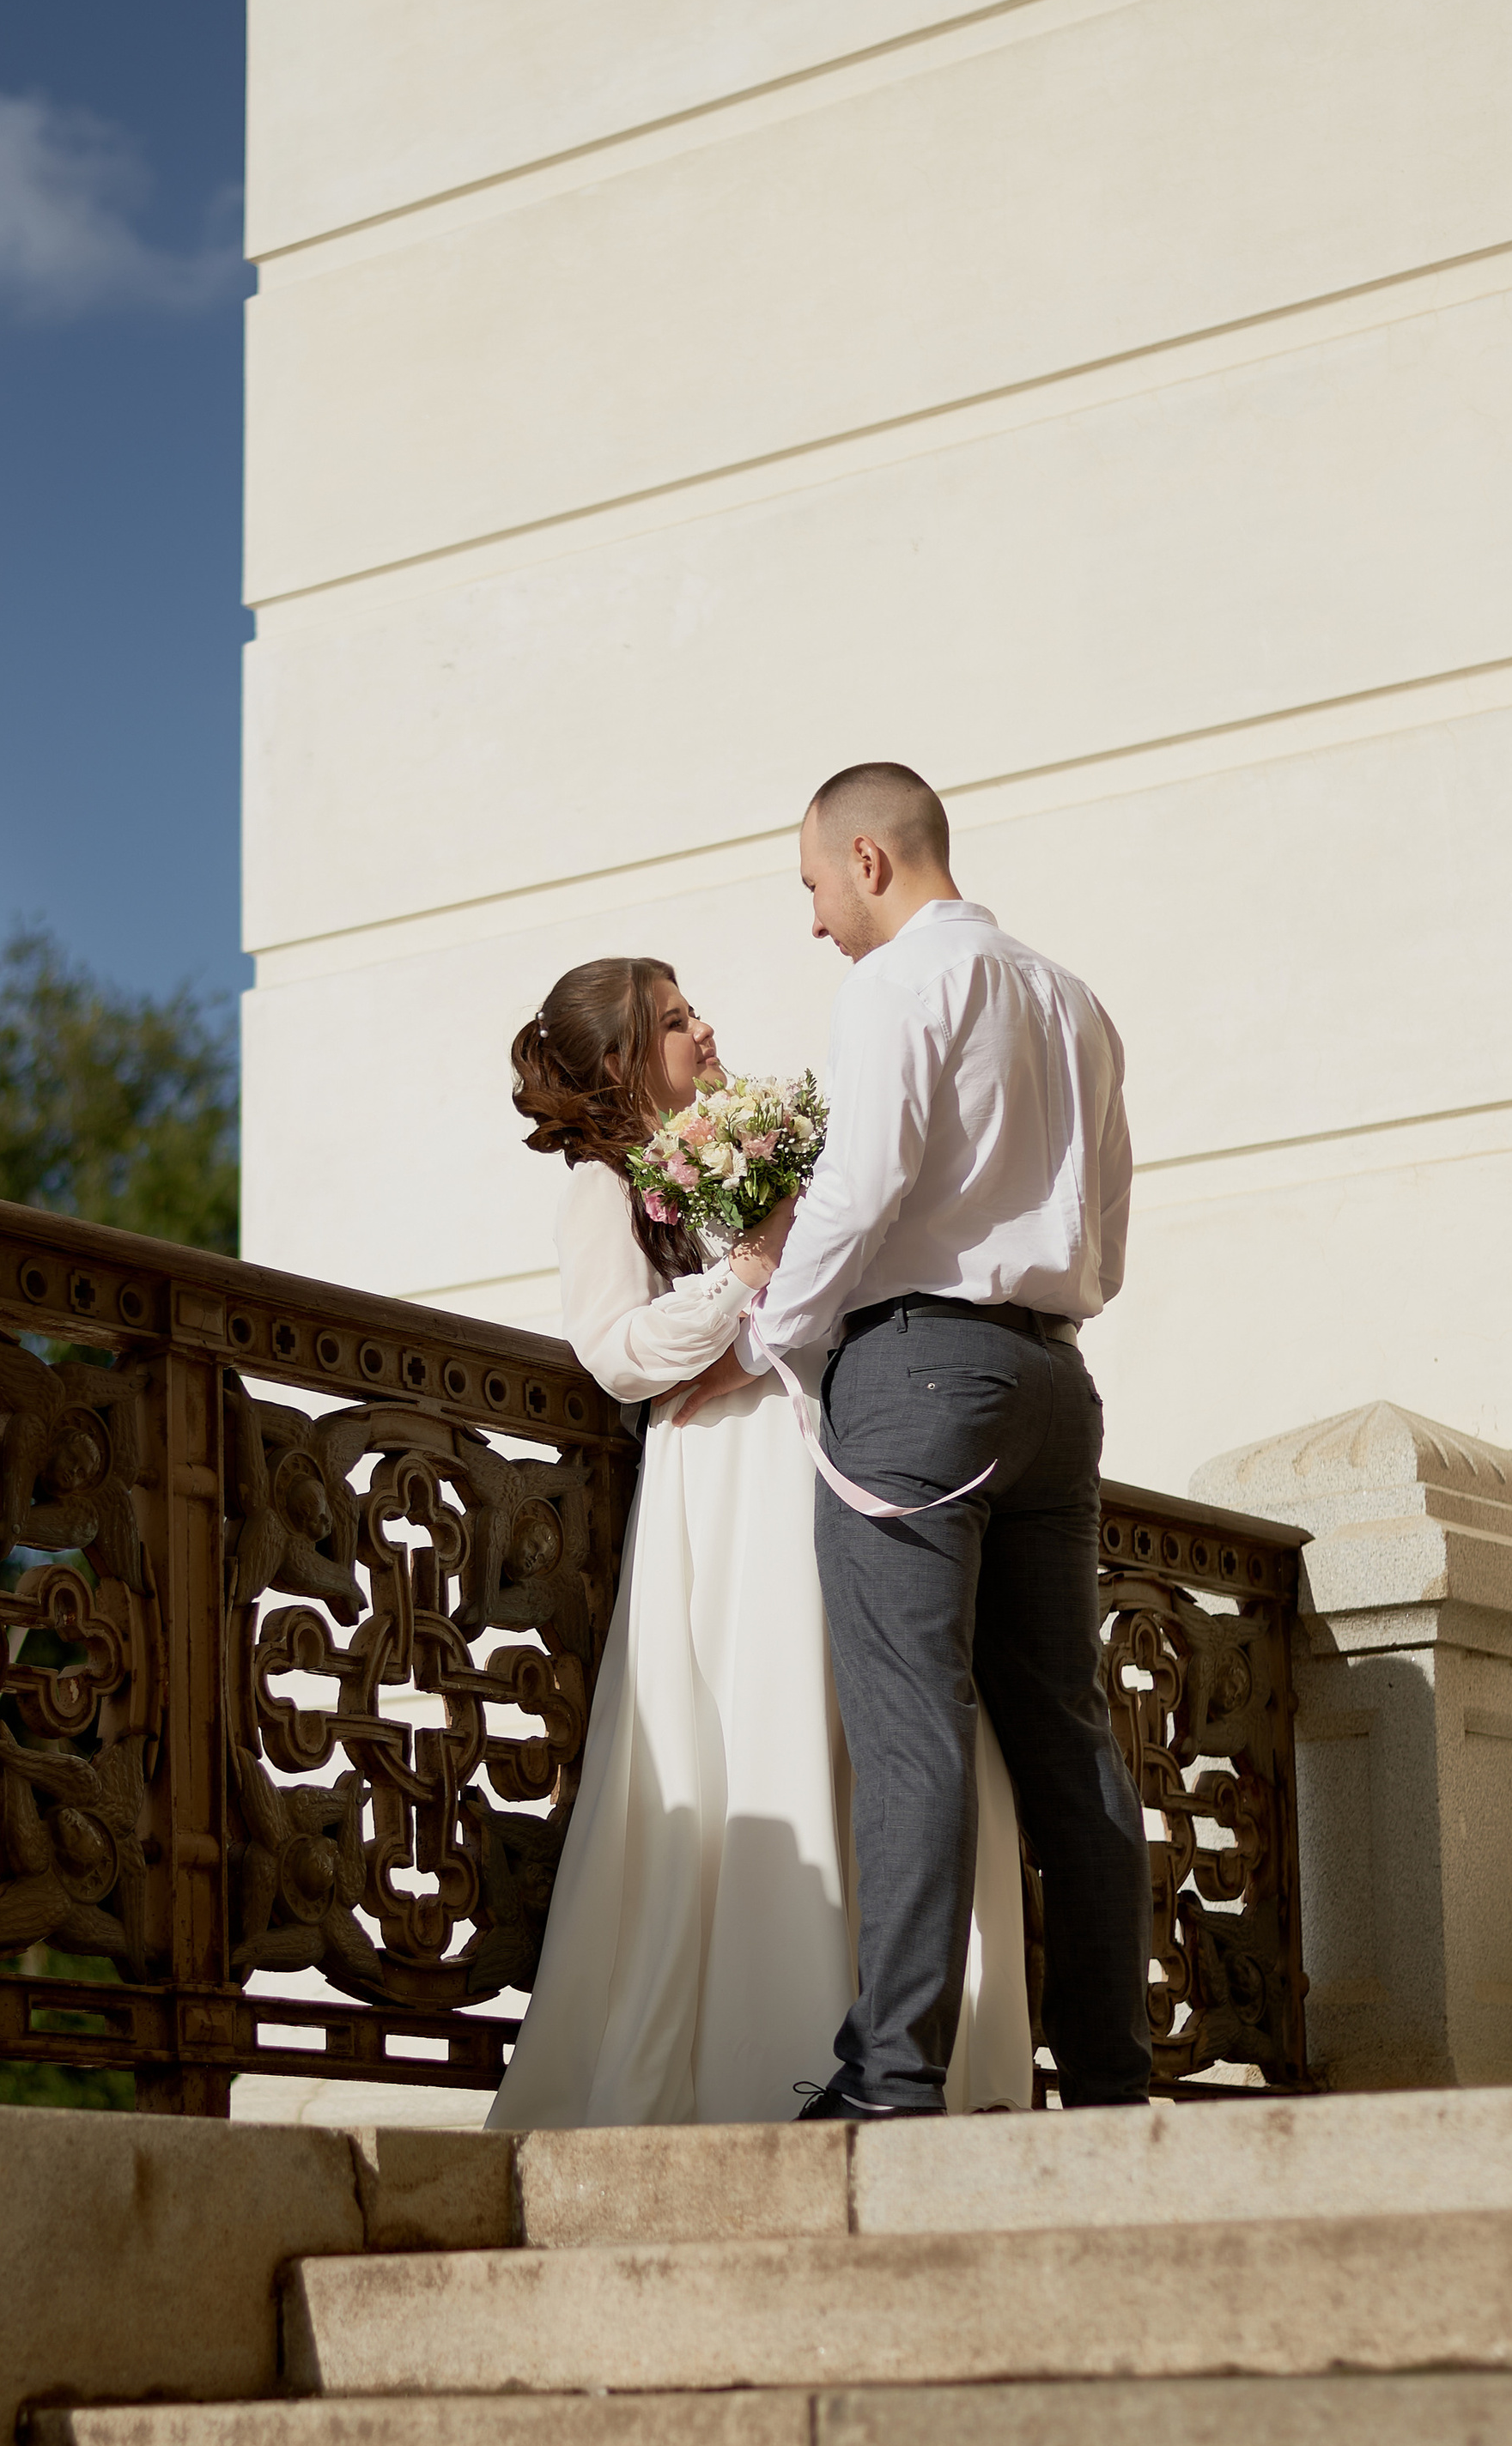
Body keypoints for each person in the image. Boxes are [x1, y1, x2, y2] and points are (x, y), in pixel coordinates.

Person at [484, 953, 1033, 2128]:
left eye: (695, 1010)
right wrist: (744, 1276)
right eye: (677, 1021)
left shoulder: (747, 1141)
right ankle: (776, 2050)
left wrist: (764, 1298)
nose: (706, 1029)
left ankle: (917, 2049)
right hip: (730, 1482)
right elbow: (617, 1348)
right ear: (628, 1061)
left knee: (877, 1722)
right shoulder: (603, 1184)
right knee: (768, 1715)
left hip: (818, 1444)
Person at [682, 762, 1150, 2121]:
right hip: (1058, 1383)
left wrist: (789, 1334)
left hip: (920, 1377)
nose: (816, 920)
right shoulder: (1077, 1001)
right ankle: (1112, 2081)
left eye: (816, 885)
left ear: (871, 858)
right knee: (1069, 1736)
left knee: (910, 1731)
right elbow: (1106, 1232)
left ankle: (891, 2078)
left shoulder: (897, 986)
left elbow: (864, 1182)